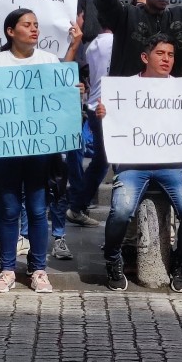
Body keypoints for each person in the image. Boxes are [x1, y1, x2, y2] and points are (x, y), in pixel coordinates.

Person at [0, 8, 81, 294]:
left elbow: (58, 100)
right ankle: (7, 269)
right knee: (8, 208)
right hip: (5, 149)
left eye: (36, 25)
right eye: (27, 24)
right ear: (10, 31)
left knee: (37, 208)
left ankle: (38, 270)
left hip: (39, 150)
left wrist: (72, 92)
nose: (34, 29)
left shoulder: (49, 60)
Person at [96, 33, 182, 293]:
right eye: (161, 54)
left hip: (173, 165)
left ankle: (180, 262)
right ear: (145, 57)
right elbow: (109, 117)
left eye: (171, 55)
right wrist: (104, 113)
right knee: (121, 210)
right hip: (132, 165)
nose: (167, 59)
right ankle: (113, 258)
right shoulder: (124, 88)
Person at [66, 22, 113, 226]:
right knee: (105, 160)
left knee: (102, 160)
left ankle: (78, 204)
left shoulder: (94, 43)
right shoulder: (110, 41)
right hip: (105, 108)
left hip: (96, 106)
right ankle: (77, 205)